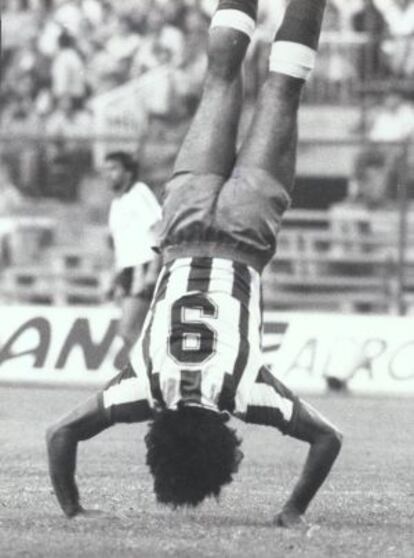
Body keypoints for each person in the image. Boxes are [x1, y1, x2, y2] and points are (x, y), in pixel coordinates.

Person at [47, 0, 342, 528]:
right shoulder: (142, 387)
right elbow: (59, 435)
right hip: (183, 225)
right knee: (221, 73)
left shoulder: (246, 392)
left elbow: (327, 439)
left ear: (223, 449)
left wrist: (293, 510)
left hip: (245, 234)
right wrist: (72, 508)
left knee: (282, 86)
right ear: (157, 438)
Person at [104, 151, 162, 362]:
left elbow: (158, 229)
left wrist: (153, 270)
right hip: (128, 270)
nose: (109, 174)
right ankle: (150, 375)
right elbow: (120, 247)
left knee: (128, 329)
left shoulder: (139, 192)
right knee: (134, 331)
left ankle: (148, 376)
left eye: (114, 169)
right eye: (106, 170)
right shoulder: (116, 204)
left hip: (143, 266)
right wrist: (113, 279)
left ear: (128, 172)